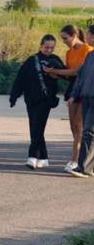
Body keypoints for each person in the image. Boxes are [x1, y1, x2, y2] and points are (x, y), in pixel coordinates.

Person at [9, 35, 65, 169]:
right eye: (46, 47)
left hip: (46, 100)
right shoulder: (31, 60)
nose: (49, 50)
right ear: (41, 45)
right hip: (31, 99)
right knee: (35, 127)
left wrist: (55, 72)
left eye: (52, 47)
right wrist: (14, 96)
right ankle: (44, 157)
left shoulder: (55, 60)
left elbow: (66, 75)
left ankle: (32, 156)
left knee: (37, 127)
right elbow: (20, 79)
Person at [43, 25, 93, 173]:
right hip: (74, 88)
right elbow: (69, 74)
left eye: (65, 38)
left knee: (81, 127)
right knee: (73, 127)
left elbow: (77, 71)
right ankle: (78, 158)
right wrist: (56, 74)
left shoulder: (87, 50)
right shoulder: (69, 52)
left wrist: (55, 70)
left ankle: (75, 159)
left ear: (75, 35)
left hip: (85, 89)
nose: (64, 41)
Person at [65, 24, 94, 178]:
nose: (86, 37)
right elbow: (80, 79)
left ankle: (84, 168)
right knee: (87, 131)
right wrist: (73, 95)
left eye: (88, 35)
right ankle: (86, 167)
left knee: (89, 131)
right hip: (86, 98)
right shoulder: (90, 56)